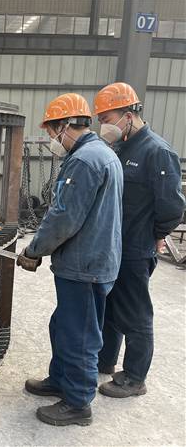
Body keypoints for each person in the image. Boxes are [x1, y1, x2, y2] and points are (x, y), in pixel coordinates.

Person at [16, 93, 124, 426]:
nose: (52, 139)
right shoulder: (102, 154)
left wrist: (34, 250)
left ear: (65, 125)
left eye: (52, 132)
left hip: (84, 265)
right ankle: (61, 379)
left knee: (79, 334)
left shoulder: (85, 161)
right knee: (63, 324)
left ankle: (78, 403)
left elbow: (64, 218)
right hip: (91, 259)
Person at [93, 82, 185, 397]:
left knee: (135, 314)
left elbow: (173, 207)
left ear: (129, 114)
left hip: (135, 248)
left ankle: (134, 378)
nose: (104, 125)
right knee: (110, 307)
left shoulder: (157, 152)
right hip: (114, 245)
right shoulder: (121, 147)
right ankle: (105, 360)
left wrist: (155, 235)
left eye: (108, 118)